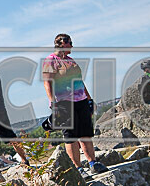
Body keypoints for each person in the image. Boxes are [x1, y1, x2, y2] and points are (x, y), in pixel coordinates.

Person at [42, 34, 109, 177]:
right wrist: (52, 102)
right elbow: (47, 82)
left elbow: (79, 81)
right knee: (71, 136)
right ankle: (78, 168)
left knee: (85, 133)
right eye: (69, 43)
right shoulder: (51, 60)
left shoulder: (70, 61)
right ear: (61, 44)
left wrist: (89, 99)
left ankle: (93, 163)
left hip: (81, 100)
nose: (72, 45)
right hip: (64, 102)